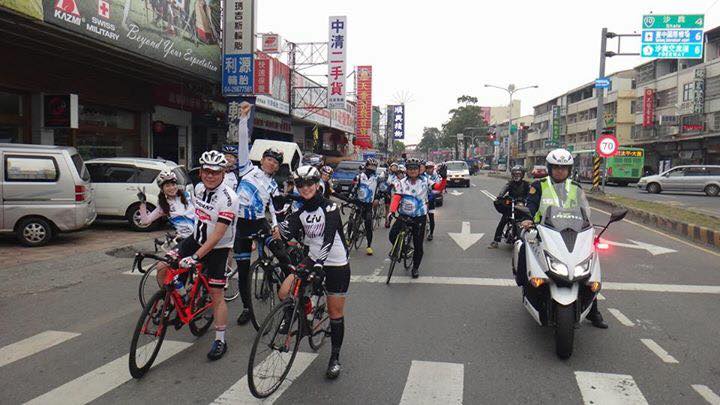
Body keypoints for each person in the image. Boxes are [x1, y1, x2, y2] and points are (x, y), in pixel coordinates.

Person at [157, 150, 239, 360]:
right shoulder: (199, 189)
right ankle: (181, 300)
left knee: (216, 293)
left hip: (218, 248)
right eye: (206, 171)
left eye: (215, 172)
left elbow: (218, 234)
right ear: (201, 172)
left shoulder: (229, 198)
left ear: (222, 173)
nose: (210, 175)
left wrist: (195, 258)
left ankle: (220, 339)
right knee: (163, 268)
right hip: (195, 238)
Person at [519, 149, 608, 329]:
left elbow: (584, 210)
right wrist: (527, 219)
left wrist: (589, 225)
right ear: (550, 168)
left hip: (572, 232)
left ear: (569, 169)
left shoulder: (576, 188)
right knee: (523, 245)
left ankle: (593, 310)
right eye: (556, 167)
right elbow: (531, 205)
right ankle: (524, 282)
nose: (560, 171)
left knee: (587, 266)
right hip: (542, 231)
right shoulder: (539, 185)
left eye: (564, 168)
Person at [277, 166, 350, 379]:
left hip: (336, 262)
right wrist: (275, 227)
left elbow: (328, 239)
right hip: (313, 258)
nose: (305, 187)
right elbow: (287, 231)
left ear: (318, 185)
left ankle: (334, 358)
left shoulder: (330, 208)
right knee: (284, 292)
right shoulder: (299, 210)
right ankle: (306, 312)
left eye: (309, 183)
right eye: (300, 184)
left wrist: (319, 264)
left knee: (335, 312)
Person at [232, 101, 292, 326]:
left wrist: (277, 225)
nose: (272, 164)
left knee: (282, 255)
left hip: (260, 224)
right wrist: (244, 119)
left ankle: (288, 296)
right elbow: (242, 143)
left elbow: (274, 210)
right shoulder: (247, 168)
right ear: (262, 159)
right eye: (269, 159)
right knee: (244, 271)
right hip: (240, 226)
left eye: (276, 162)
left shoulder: (274, 186)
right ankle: (247, 308)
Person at [388, 158, 430, 278]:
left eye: (415, 169)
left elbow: (437, 187)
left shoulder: (425, 181)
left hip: (419, 217)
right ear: (407, 170)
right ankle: (405, 249)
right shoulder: (402, 182)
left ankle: (415, 268)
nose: (412, 171)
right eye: (410, 169)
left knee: (418, 245)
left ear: (418, 170)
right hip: (404, 215)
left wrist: (443, 179)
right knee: (392, 235)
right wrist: (391, 211)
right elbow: (397, 197)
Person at [136, 171, 195, 239]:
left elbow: (201, 209)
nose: (171, 188)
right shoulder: (163, 205)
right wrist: (143, 203)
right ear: (162, 189)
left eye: (173, 184)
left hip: (200, 234)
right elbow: (145, 221)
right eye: (167, 186)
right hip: (184, 239)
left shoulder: (188, 196)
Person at [489, 165, 530, 248]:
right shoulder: (510, 184)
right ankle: (495, 241)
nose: (517, 176)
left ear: (522, 175)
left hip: (523, 205)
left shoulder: (526, 184)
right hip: (511, 204)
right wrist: (500, 196)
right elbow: (504, 190)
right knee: (503, 220)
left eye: (519, 174)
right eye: (515, 174)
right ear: (512, 175)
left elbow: (531, 194)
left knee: (530, 220)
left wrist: (529, 199)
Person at [350, 157, 380, 255]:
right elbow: (353, 188)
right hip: (358, 201)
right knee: (352, 219)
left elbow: (378, 191)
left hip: (368, 204)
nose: (372, 168)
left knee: (368, 223)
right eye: (370, 166)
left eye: (374, 167)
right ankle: (348, 238)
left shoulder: (376, 178)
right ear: (366, 166)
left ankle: (369, 246)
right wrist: (351, 197)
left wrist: (377, 198)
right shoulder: (359, 177)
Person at [425, 162, 441, 241]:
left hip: (431, 198)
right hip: (422, 198)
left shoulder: (436, 176)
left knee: (431, 216)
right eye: (427, 168)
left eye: (430, 168)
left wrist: (432, 195)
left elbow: (438, 188)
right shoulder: (423, 175)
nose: (429, 169)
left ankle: (431, 233)